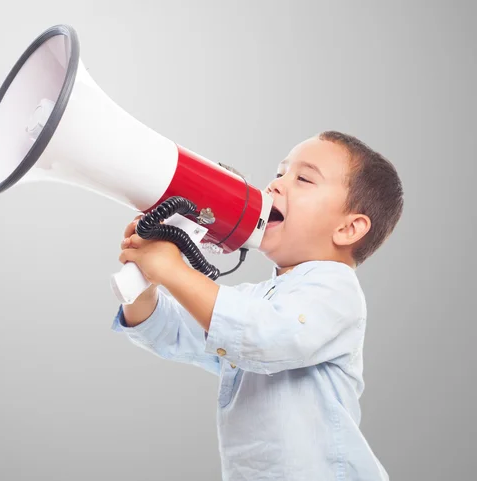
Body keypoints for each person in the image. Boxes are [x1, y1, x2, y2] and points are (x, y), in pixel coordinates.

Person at [111, 131, 404, 481]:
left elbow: (262, 335)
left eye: (303, 178)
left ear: (348, 228)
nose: (275, 185)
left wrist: (173, 270)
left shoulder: (335, 290)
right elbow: (171, 334)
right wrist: (145, 282)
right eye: (280, 173)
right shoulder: (258, 298)